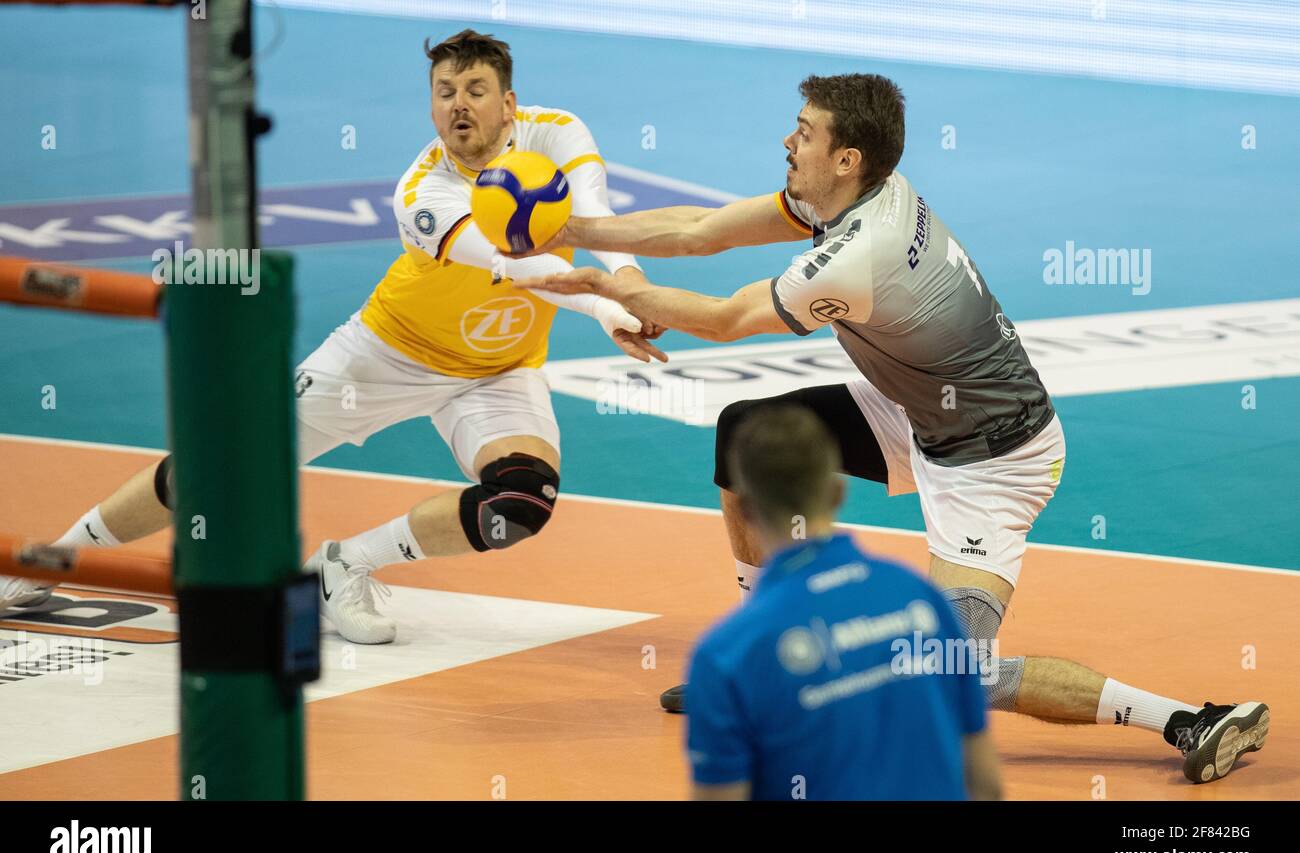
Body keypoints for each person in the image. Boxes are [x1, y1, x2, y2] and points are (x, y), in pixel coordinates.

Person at [516, 73, 1268, 784]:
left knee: (957, 676)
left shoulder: (857, 255)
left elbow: (720, 322)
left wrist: (608, 286)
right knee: (748, 436)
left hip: (995, 465)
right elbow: (701, 232)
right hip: (913, 412)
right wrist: (570, 227)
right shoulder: (854, 193)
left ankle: (1187, 720)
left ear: (846, 158)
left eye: (803, 133)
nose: (788, 142)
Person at [0, 29, 666, 646]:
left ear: (508, 101)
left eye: (474, 90)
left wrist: (632, 288)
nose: (458, 106)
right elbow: (518, 267)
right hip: (385, 354)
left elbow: (599, 217)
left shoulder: (555, 134)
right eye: (443, 93)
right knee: (221, 468)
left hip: (499, 369)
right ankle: (55, 557)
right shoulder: (422, 192)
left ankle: (344, 565)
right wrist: (613, 311)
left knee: (521, 502)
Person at [686, 404, 1002, 800]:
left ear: (745, 510)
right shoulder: (920, 597)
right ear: (838, 492)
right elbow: (985, 784)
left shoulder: (726, 654)